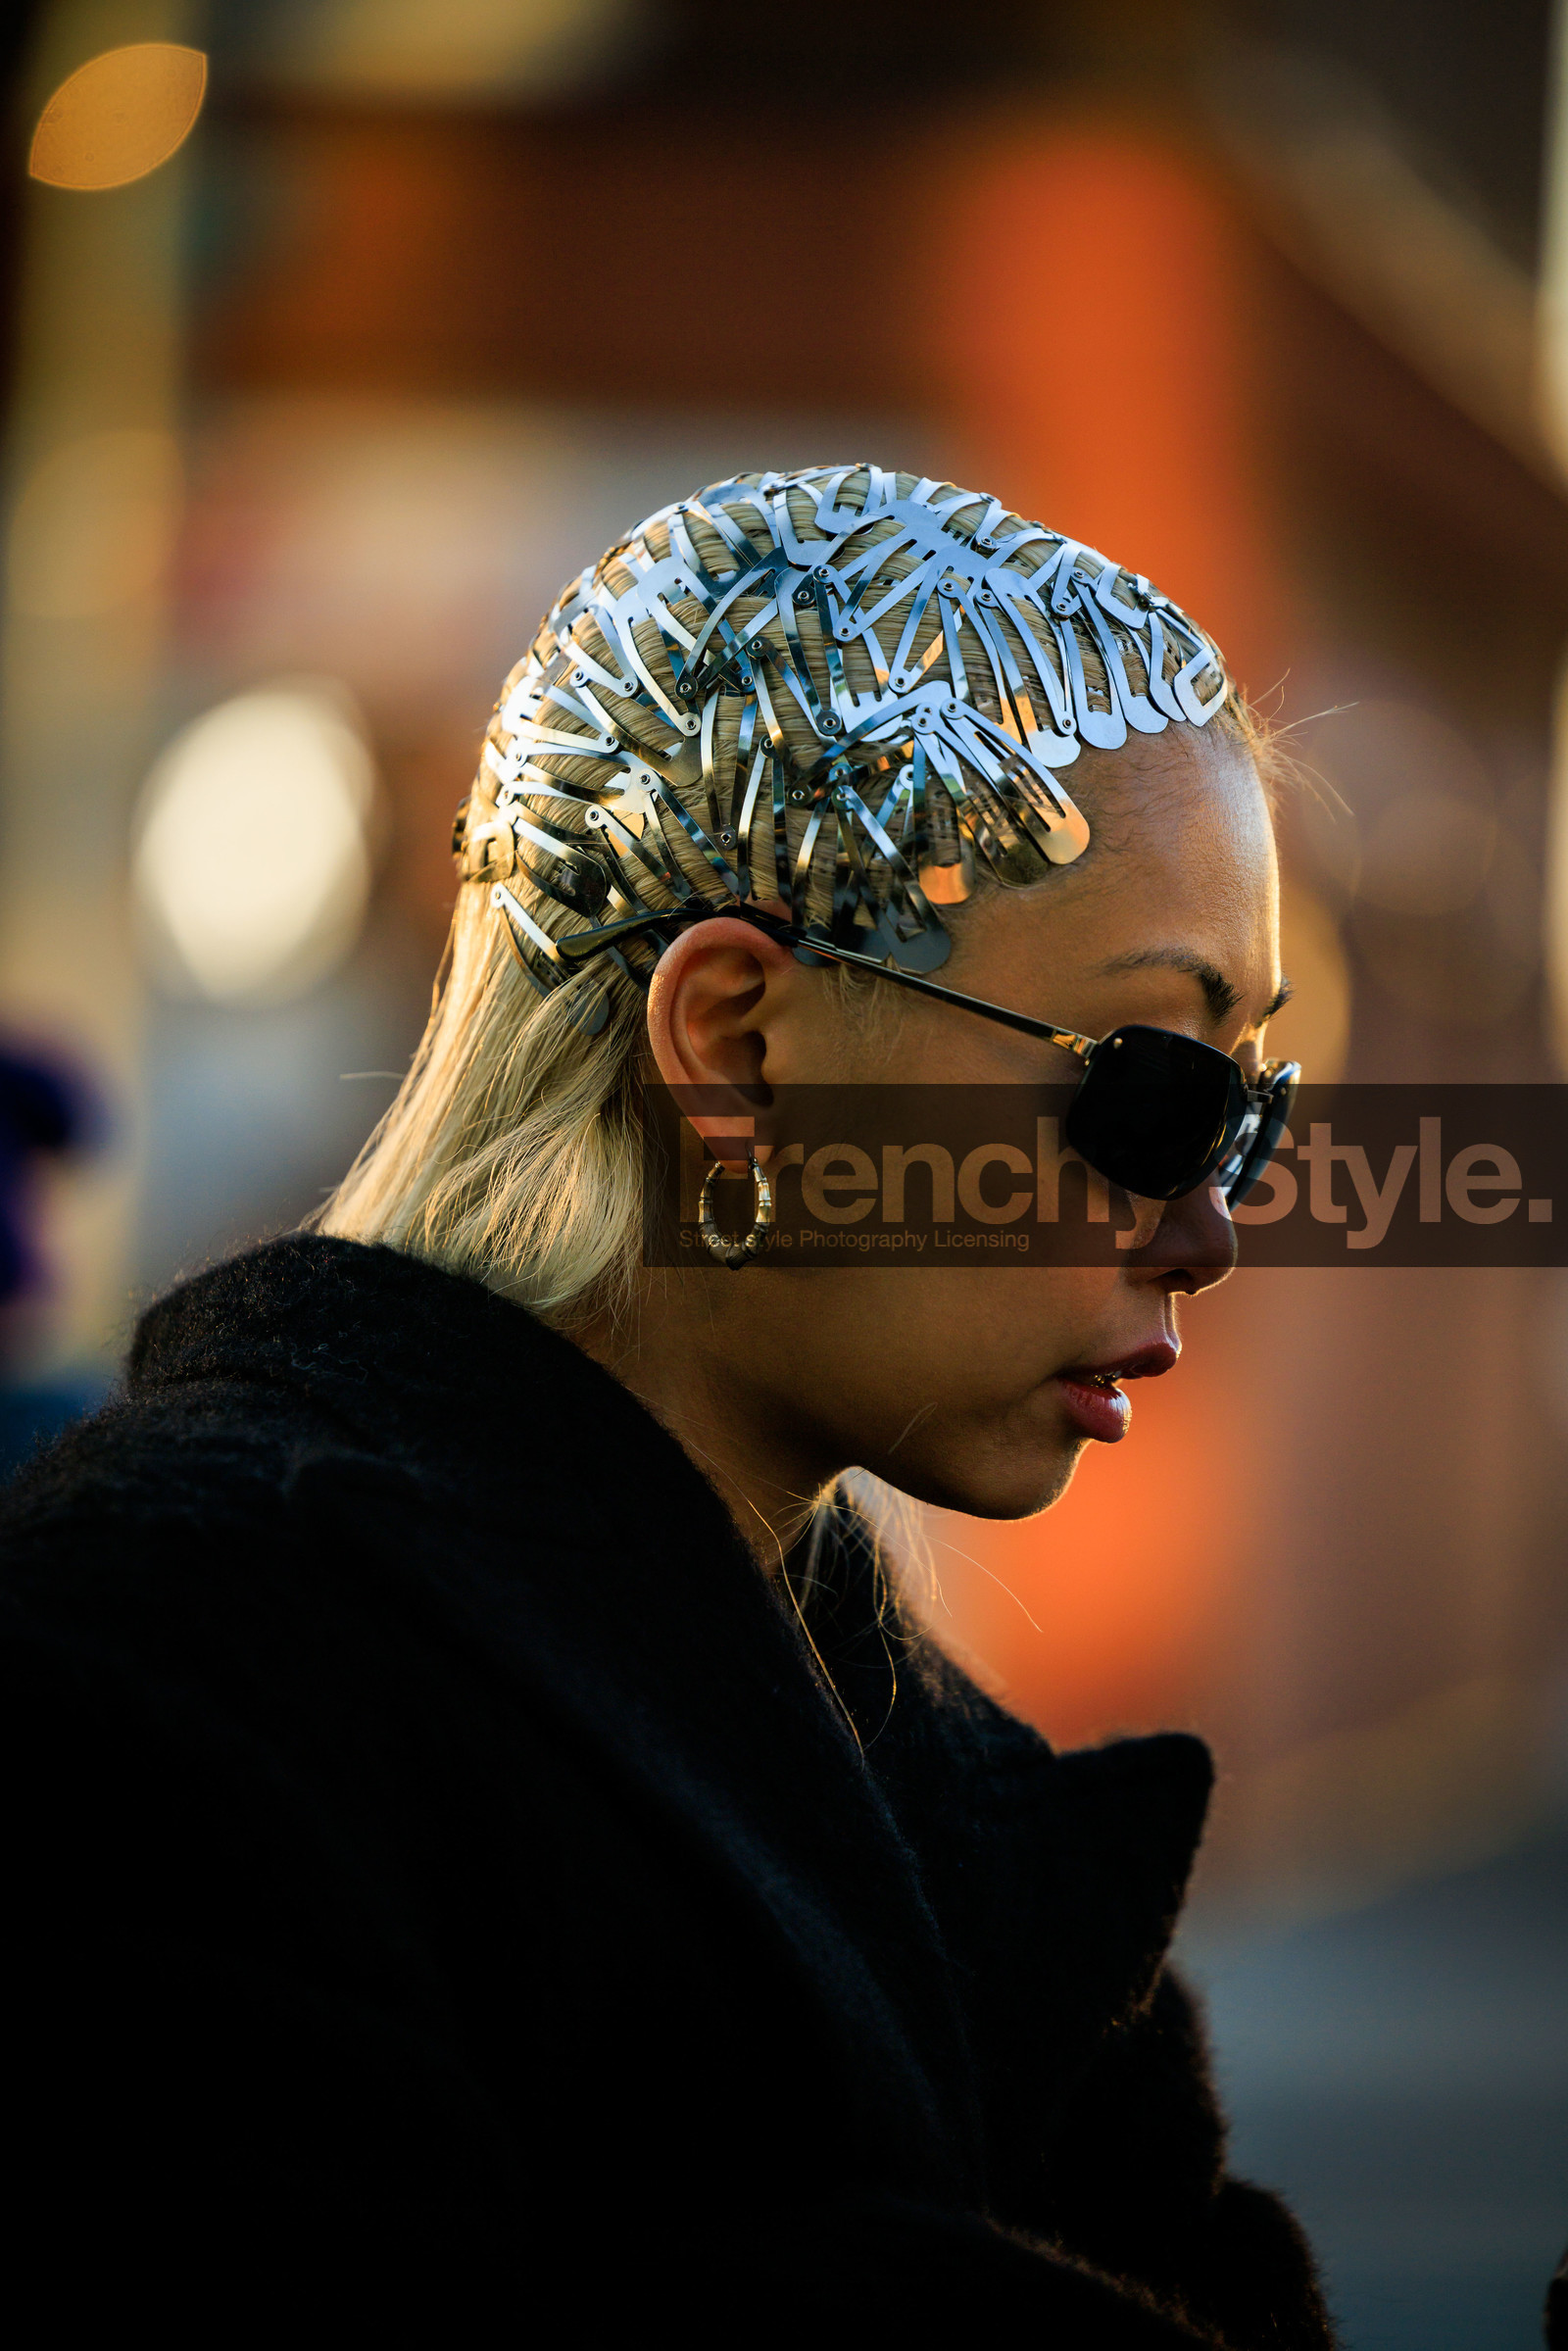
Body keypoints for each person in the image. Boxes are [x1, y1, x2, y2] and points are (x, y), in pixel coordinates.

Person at [2, 466, 1329, 2343]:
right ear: (737, 1046)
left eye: (1248, 1117)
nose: (1207, 1230)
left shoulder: (957, 1812)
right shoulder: (169, 1678)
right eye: (1154, 1094)